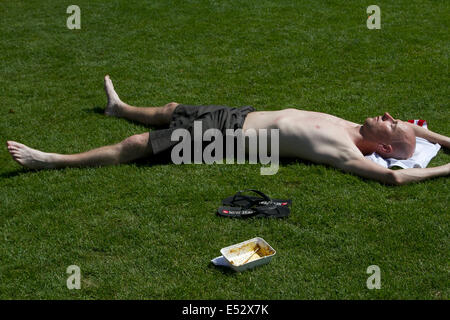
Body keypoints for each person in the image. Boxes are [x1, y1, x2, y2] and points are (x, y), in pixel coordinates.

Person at [6, 75, 450, 185]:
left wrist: (444, 171)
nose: (389, 115)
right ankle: (118, 107)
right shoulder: (358, 127)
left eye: (390, 122)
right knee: (169, 109)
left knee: (138, 146)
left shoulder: (346, 151)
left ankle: (50, 160)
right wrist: (445, 142)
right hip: (239, 115)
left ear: (384, 143)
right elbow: (419, 135)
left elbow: (394, 175)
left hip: (225, 143)